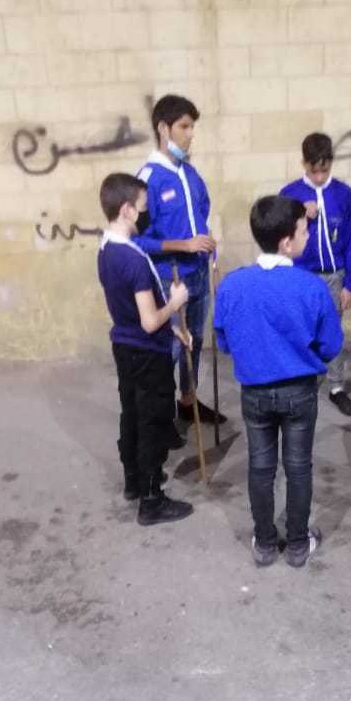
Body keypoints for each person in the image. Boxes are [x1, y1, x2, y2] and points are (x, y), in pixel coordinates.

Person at [214, 196, 343, 568]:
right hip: (299, 391)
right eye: (304, 230)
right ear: (287, 242)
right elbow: (331, 344)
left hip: (254, 392)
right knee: (298, 466)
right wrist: (306, 356)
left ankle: (265, 542)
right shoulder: (312, 287)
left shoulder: (232, 285)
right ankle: (299, 544)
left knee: (260, 466)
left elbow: (224, 340)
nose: (308, 235)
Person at [98, 172, 194, 526]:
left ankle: (134, 481)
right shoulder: (133, 260)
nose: (145, 214)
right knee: (152, 420)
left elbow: (135, 311)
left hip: (124, 345)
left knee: (131, 415)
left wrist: (174, 329)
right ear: (126, 210)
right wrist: (175, 303)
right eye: (141, 207)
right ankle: (152, 500)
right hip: (147, 351)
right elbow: (150, 321)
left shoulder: (106, 249)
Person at [134, 94, 226, 427]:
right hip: (169, 278)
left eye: (192, 127)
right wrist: (183, 245)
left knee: (195, 342)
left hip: (198, 273)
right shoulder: (148, 179)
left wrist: (208, 246)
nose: (190, 134)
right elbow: (137, 240)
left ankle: (188, 401)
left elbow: (202, 215)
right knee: (170, 348)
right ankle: (156, 415)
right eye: (184, 127)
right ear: (163, 128)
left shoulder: (190, 172)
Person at [279, 133, 351, 417]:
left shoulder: (345, 194)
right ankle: (305, 382)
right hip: (301, 274)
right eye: (313, 170)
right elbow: (279, 235)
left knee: (333, 330)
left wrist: (350, 283)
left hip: (334, 274)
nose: (318, 177)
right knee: (302, 329)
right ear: (304, 163)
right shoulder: (289, 194)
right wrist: (299, 214)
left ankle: (336, 386)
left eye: (324, 170)